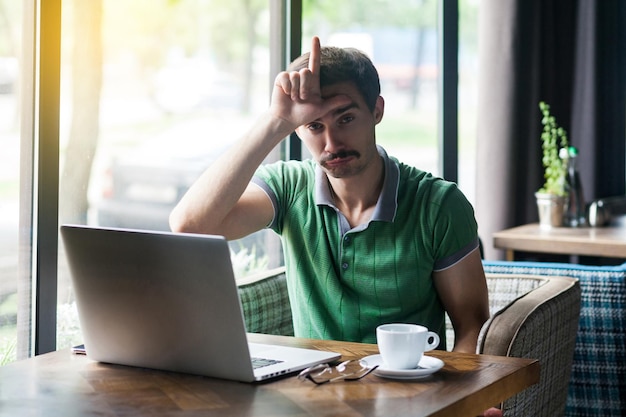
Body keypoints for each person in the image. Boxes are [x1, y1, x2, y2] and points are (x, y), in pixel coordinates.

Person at [169, 36, 489, 353]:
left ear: (376, 110)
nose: (332, 144)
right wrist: (274, 122)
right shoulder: (288, 187)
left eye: (346, 119)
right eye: (314, 126)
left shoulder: (439, 205)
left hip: (412, 396)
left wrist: (465, 395)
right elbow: (190, 226)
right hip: (312, 392)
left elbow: (471, 328)